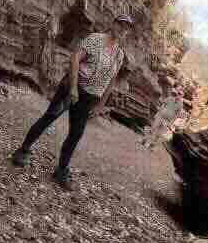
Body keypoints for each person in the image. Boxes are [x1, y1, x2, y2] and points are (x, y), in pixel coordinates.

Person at [11, 14, 133, 189]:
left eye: (127, 28)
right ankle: (22, 151)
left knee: (76, 134)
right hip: (71, 88)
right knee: (49, 117)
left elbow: (112, 80)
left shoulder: (119, 55)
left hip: (89, 97)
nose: (123, 29)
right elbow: (75, 58)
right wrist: (74, 88)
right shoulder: (96, 39)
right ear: (113, 24)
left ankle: (61, 171)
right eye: (121, 25)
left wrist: (100, 105)